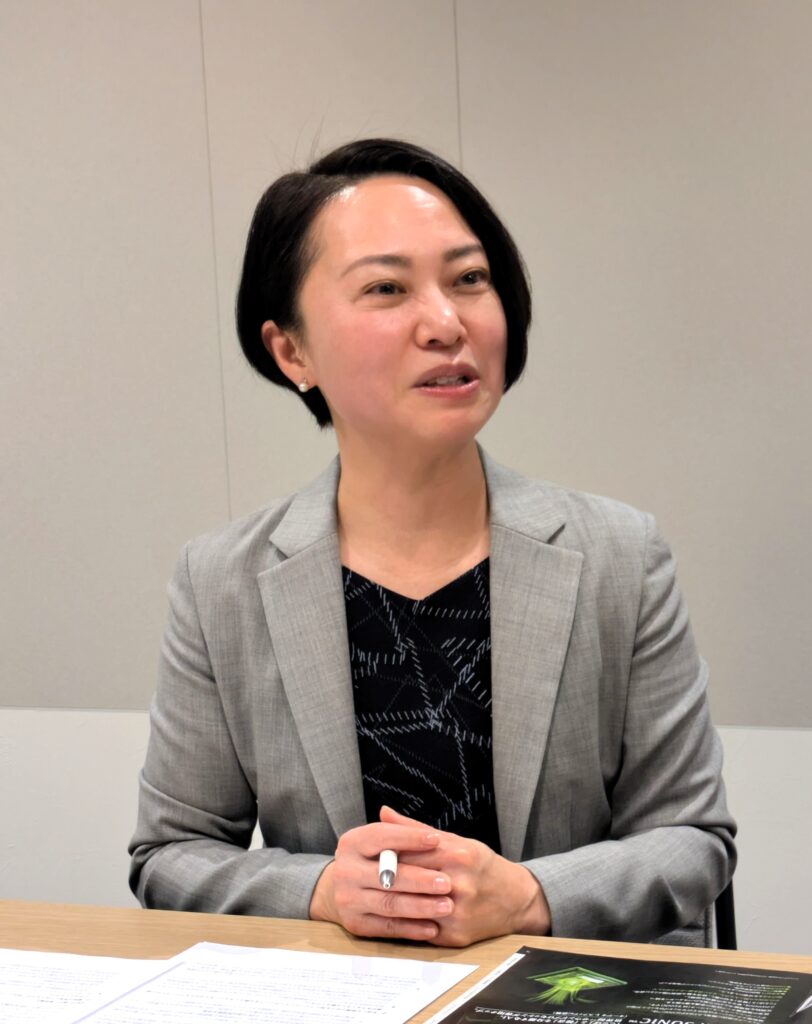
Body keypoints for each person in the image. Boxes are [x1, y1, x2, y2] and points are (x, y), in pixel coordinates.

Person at [129, 138, 736, 947]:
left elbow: (693, 837)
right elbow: (171, 852)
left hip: (562, 993)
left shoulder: (618, 555)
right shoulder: (223, 580)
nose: (447, 323)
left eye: (469, 280)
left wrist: (528, 896)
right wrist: (321, 890)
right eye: (386, 288)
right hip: (346, 996)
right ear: (291, 351)